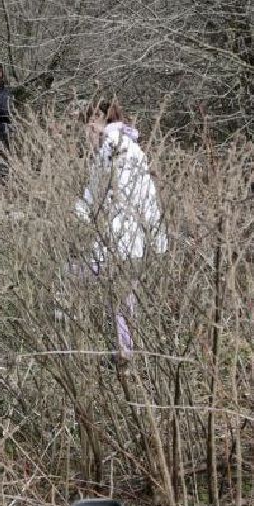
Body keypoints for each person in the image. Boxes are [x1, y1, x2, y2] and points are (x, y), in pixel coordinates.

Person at [75, 100, 168, 358]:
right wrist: (157, 240)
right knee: (124, 298)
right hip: (133, 239)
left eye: (87, 125)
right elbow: (147, 196)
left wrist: (79, 218)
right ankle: (123, 351)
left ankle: (115, 352)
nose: (85, 134)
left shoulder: (112, 150)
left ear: (97, 122)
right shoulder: (129, 147)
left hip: (118, 238)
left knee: (77, 283)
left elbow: (96, 196)